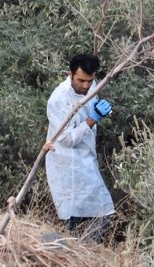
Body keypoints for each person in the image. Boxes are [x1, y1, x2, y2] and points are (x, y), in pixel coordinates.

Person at [44, 54, 115, 239]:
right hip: (67, 162)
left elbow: (89, 109)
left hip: (85, 158)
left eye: (89, 81)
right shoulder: (58, 99)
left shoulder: (91, 86)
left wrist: (99, 109)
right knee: (77, 214)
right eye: (80, 80)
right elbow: (66, 138)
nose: (85, 86)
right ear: (70, 74)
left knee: (101, 212)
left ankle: (86, 249)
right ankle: (78, 252)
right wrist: (93, 119)